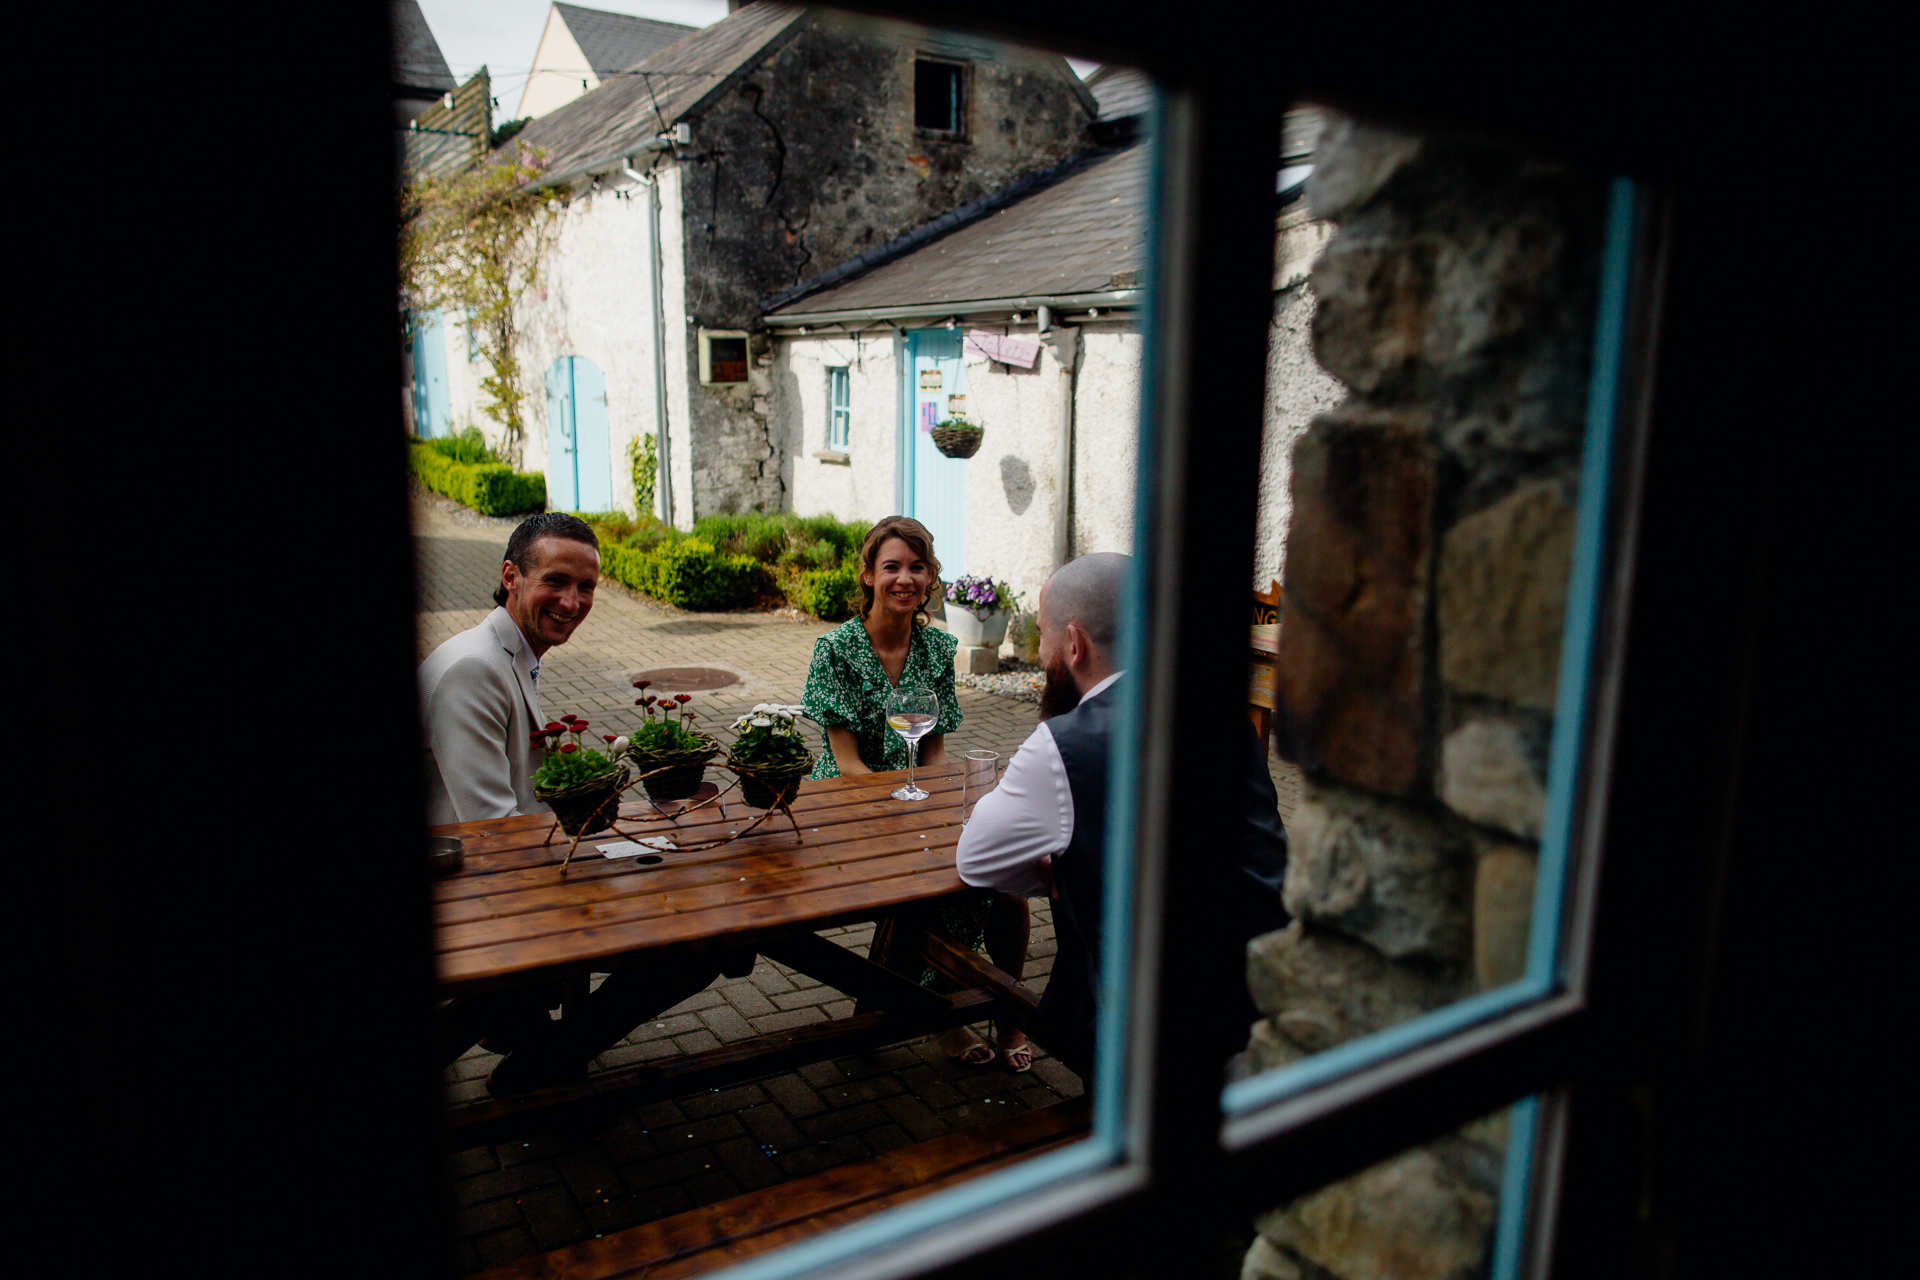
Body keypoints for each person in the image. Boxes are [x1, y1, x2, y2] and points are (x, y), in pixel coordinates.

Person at [419, 512, 736, 1096]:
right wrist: (611, 848)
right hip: (466, 895)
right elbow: (496, 835)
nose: (572, 602)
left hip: (487, 877)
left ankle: (533, 1045)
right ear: (511, 575)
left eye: (586, 587)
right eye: (556, 582)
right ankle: (536, 1066)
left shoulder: (506, 651)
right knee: (698, 938)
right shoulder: (472, 668)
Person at [955, 552, 1291, 1085]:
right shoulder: (1223, 712)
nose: (1041, 653)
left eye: (1042, 636)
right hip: (1272, 1001)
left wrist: (1053, 870)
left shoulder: (1061, 747)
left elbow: (975, 859)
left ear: (1073, 643)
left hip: (1155, 1040)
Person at [802, 516, 1035, 1070]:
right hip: (849, 801)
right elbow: (847, 761)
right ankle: (943, 1011)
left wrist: (938, 802)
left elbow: (934, 752)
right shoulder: (834, 649)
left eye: (917, 567)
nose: (904, 578)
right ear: (867, 576)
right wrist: (912, 806)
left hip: (918, 790)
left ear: (930, 578)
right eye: (891, 568)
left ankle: (1009, 1011)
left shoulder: (935, 648)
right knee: (936, 882)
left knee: (1006, 885)